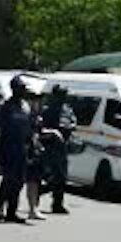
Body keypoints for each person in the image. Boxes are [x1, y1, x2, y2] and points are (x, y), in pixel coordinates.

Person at [0, 76, 32, 224]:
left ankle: (11, 212)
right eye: (21, 88)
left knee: (19, 181)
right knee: (8, 180)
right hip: (8, 147)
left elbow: (29, 127)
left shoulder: (26, 106)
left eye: (24, 88)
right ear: (14, 89)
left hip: (22, 147)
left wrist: (31, 143)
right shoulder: (6, 106)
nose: (24, 91)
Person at [40, 84, 77, 214]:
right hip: (51, 146)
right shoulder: (47, 110)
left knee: (62, 177)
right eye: (61, 94)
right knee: (51, 175)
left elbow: (73, 121)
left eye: (64, 94)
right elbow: (41, 128)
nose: (63, 97)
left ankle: (57, 204)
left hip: (63, 146)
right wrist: (55, 130)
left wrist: (70, 126)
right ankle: (39, 192)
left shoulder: (67, 109)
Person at [24, 85, 47, 221]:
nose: (37, 102)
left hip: (35, 151)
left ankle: (33, 208)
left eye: (39, 100)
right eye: (34, 99)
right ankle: (0, 207)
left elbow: (38, 133)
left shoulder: (38, 116)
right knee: (14, 182)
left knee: (34, 180)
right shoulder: (25, 113)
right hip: (23, 150)